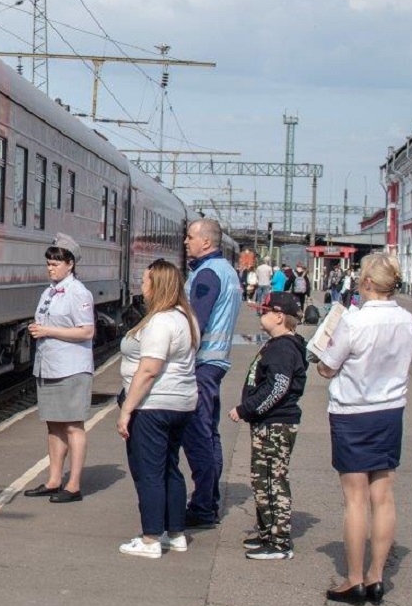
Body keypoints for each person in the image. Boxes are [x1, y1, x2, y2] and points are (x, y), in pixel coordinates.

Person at [314, 252, 412, 606]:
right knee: (383, 496)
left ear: (369, 283)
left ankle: (354, 579)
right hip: (390, 411)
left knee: (355, 499)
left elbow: (327, 368)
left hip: (353, 413)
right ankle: (377, 577)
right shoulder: (406, 320)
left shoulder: (354, 321)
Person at [116, 259, 199, 558]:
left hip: (153, 406)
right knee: (169, 468)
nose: (141, 286)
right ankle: (175, 533)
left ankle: (151, 538)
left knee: (148, 472)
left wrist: (127, 409)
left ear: (157, 285)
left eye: (145, 281)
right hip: (181, 404)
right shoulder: (186, 317)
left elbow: (149, 370)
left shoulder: (160, 322)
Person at [228, 291, 308, 561]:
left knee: (273, 480)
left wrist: (246, 409)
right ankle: (267, 533)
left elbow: (277, 387)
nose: (260, 315)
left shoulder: (283, 348)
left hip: (276, 424)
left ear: (279, 316)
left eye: (264, 311)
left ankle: (279, 541)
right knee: (261, 479)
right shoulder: (278, 345)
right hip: (267, 422)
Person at [181, 218, 244, 528]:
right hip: (214, 363)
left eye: (190, 237)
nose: (186, 242)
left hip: (202, 364)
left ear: (205, 242)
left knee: (198, 435)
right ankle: (209, 501)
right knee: (209, 433)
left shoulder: (207, 274)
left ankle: (203, 506)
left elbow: (196, 322)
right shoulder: (226, 271)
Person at [23, 234, 95, 503]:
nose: (50, 268)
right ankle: (54, 480)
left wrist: (47, 331)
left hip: (71, 369)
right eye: (48, 264)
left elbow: (87, 331)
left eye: (55, 264)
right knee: (53, 425)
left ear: (70, 264)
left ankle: (73, 485)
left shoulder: (78, 293)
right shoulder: (49, 292)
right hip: (49, 367)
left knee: (73, 426)